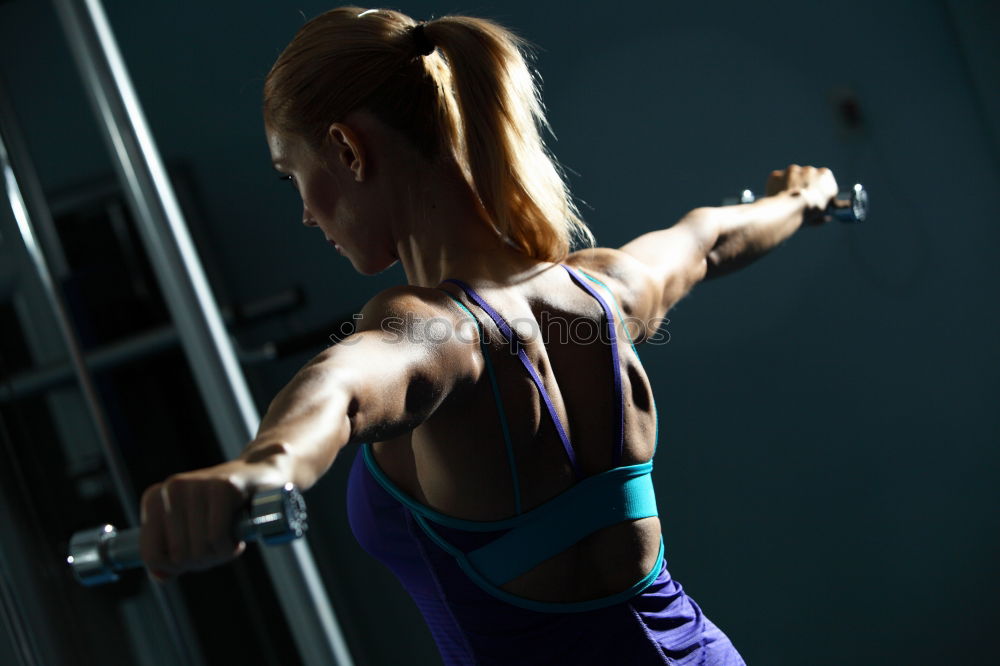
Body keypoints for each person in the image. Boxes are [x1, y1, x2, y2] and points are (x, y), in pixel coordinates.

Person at [139, 7, 840, 664]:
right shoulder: (607, 289)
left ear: (347, 150)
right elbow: (710, 239)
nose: (303, 214)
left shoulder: (436, 330)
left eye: (294, 174)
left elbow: (346, 388)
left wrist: (264, 466)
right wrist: (800, 201)